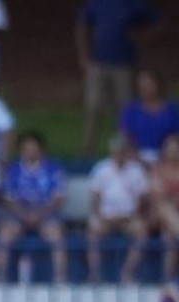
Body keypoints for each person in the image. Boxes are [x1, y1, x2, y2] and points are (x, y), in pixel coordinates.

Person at [76, 0, 160, 156]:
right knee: (93, 105)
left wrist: (140, 41)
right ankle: (88, 149)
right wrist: (83, 55)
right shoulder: (97, 4)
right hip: (98, 63)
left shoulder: (132, 4)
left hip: (123, 65)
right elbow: (82, 25)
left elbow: (155, 21)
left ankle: (124, 149)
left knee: (124, 109)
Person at [0, 131, 69, 283]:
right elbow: (8, 200)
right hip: (19, 215)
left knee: (56, 235)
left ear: (41, 150)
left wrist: (39, 214)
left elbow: (58, 199)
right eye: (27, 148)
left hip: (45, 215)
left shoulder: (53, 169)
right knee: (4, 234)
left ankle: (60, 277)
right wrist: (24, 214)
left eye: (33, 148)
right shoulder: (13, 171)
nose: (30, 152)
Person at [87, 133, 150, 282]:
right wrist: (100, 215)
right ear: (111, 152)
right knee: (93, 230)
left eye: (123, 151)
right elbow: (95, 198)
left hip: (128, 218)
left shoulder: (136, 171)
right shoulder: (101, 169)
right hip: (106, 218)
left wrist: (132, 215)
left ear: (127, 152)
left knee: (141, 231)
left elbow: (142, 199)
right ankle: (95, 274)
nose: (119, 154)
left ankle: (127, 273)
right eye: (116, 151)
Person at [119, 69, 179, 165]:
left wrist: (165, 157)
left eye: (149, 84)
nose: (145, 88)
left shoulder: (172, 109)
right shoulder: (131, 109)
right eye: (142, 85)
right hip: (136, 157)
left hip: (165, 157)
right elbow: (124, 136)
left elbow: (175, 137)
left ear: (158, 85)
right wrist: (136, 157)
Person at [149, 133, 179, 280]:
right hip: (158, 213)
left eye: (176, 149)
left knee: (168, 236)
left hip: (173, 217)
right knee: (165, 207)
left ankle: (167, 278)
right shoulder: (158, 169)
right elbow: (156, 195)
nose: (173, 152)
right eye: (170, 149)